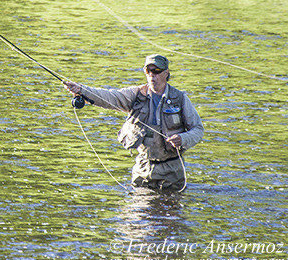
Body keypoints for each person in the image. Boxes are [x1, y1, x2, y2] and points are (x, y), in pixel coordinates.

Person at [63, 54, 204, 191]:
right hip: (143, 169)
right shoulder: (136, 95)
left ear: (166, 73)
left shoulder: (180, 98)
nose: (152, 75)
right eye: (148, 71)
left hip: (173, 170)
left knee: (170, 212)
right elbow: (110, 97)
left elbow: (198, 129)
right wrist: (81, 90)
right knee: (139, 212)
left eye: (157, 71)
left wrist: (183, 139)